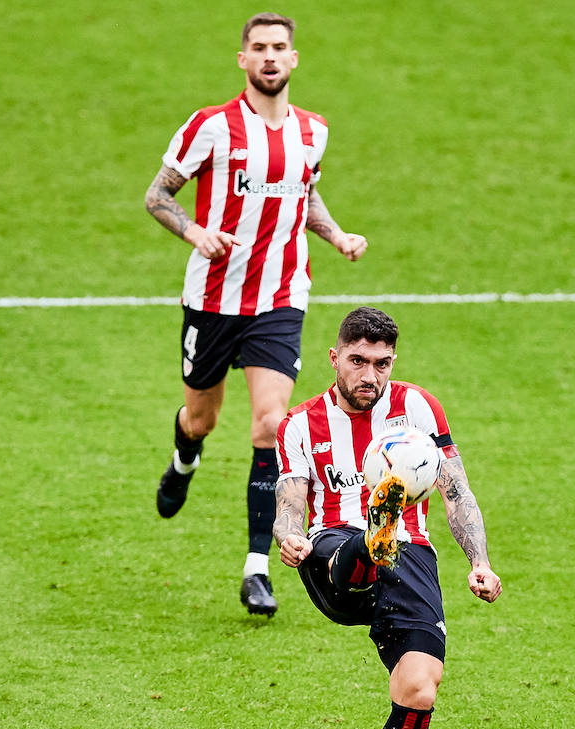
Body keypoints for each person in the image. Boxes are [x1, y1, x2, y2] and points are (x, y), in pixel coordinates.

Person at [144, 12, 368, 617]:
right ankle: (184, 454)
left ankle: (257, 568)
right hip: (214, 299)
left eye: (280, 48)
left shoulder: (314, 132)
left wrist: (335, 234)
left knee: (271, 425)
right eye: (259, 48)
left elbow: (305, 190)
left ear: (294, 59)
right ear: (243, 59)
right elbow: (157, 195)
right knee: (202, 416)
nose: (270, 57)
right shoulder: (210, 128)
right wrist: (195, 231)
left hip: (280, 297)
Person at [273, 306, 502, 729]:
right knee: (355, 548)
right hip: (331, 553)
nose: (369, 375)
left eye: (381, 363)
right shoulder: (300, 424)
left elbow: (456, 492)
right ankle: (377, 529)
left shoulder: (419, 407)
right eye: (358, 361)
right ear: (334, 358)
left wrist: (479, 562)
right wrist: (289, 537)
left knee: (420, 691)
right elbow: (289, 507)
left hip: (411, 556)